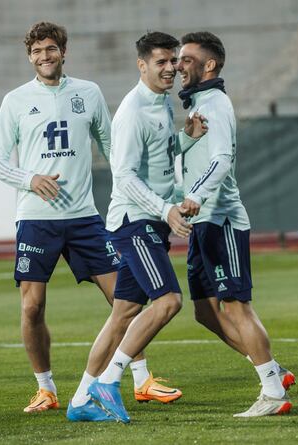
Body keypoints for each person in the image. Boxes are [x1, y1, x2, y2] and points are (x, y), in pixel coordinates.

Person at [0, 22, 180, 419]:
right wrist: (30, 178)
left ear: (63, 52)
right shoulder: (16, 100)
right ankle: (46, 389)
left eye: (52, 49)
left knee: (125, 297)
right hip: (37, 218)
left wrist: (132, 187)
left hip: (85, 217)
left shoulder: (88, 93)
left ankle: (141, 379)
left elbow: (112, 144)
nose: (45, 56)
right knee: (32, 308)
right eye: (38, 51)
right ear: (30, 56)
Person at [68, 31, 206, 424]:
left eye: (173, 61)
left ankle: (80, 402)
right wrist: (165, 210)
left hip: (150, 220)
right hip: (135, 222)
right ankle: (109, 381)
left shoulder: (162, 102)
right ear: (142, 64)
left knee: (124, 313)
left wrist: (186, 138)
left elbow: (159, 154)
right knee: (169, 301)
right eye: (161, 62)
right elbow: (124, 175)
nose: (170, 69)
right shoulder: (130, 111)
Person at [177, 31, 295, 417]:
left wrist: (194, 194)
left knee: (236, 306)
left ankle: (273, 392)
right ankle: (272, 370)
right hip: (203, 222)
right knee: (204, 312)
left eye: (187, 60)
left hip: (220, 218)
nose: (179, 66)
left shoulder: (215, 102)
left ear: (209, 65)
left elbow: (222, 157)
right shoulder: (197, 103)